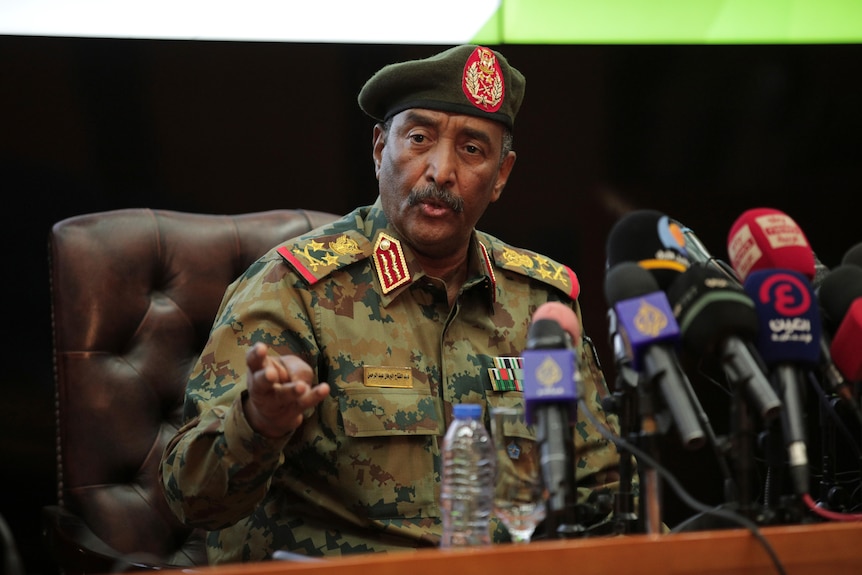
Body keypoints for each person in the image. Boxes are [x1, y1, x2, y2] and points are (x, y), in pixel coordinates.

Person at [160, 44, 626, 564]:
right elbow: (190, 496)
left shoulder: (538, 302)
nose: (441, 170)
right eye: (420, 139)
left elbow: (602, 490)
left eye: (472, 149)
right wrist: (260, 423)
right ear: (381, 148)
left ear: (501, 175)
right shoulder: (295, 291)